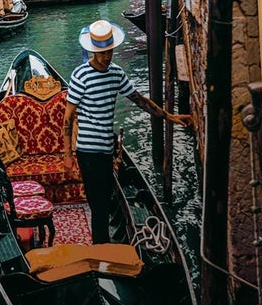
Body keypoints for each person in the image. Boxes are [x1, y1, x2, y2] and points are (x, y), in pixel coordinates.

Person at [66, 19, 188, 244]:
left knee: (104, 198)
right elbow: (68, 117)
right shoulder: (80, 75)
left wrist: (170, 117)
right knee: (99, 202)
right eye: (102, 53)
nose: (107, 57)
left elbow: (140, 101)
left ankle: (103, 245)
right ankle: (101, 248)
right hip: (88, 150)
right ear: (93, 51)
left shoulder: (116, 74)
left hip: (106, 148)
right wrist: (67, 155)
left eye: (110, 51)